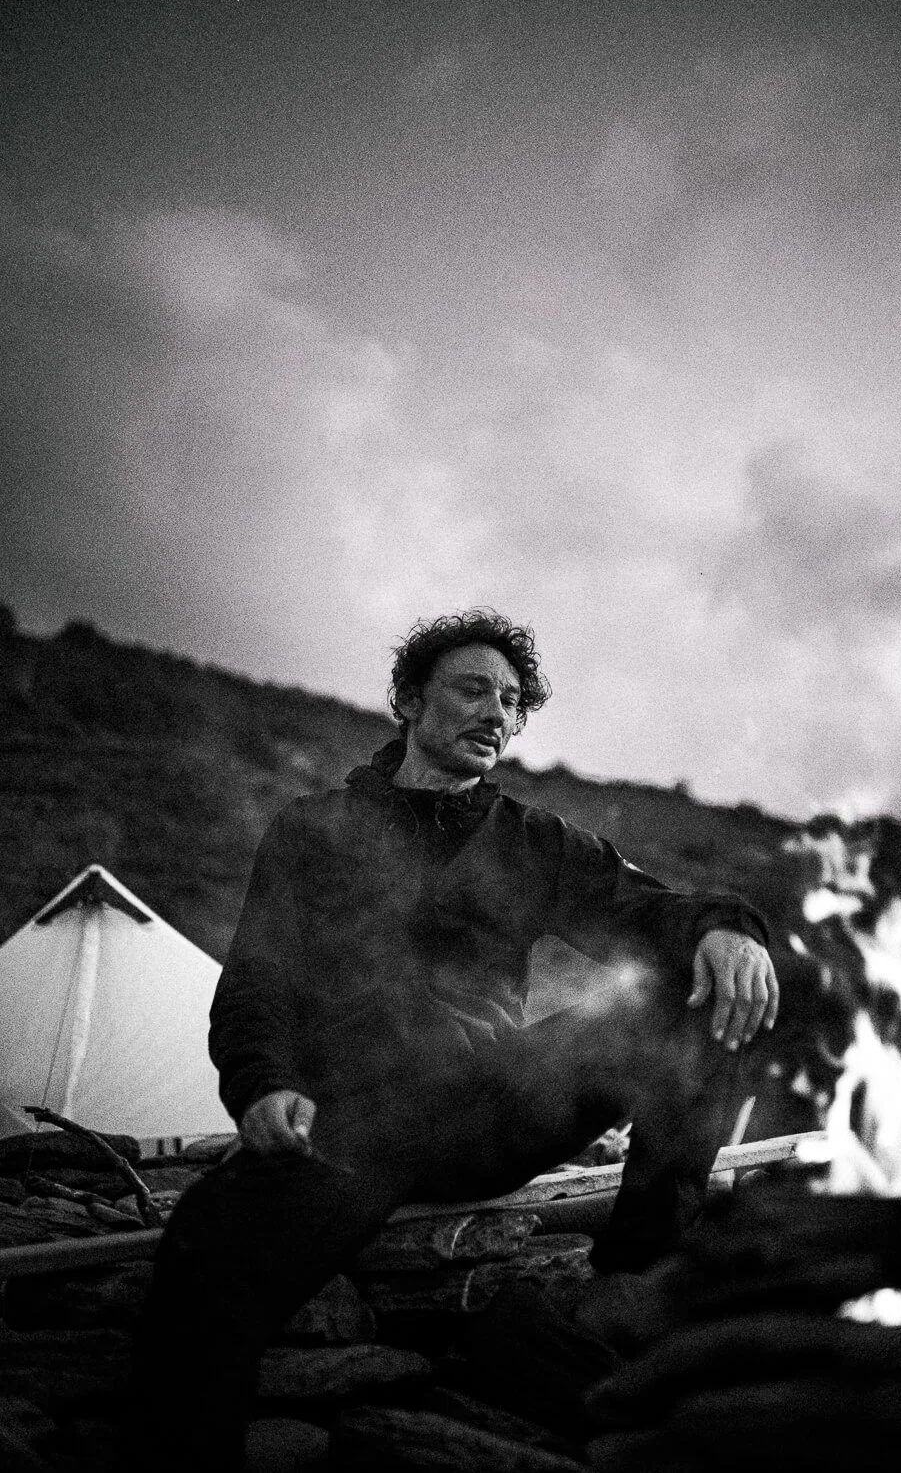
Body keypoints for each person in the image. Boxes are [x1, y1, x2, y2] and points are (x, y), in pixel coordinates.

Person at [130, 610, 778, 1469]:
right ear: (408, 701)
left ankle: (639, 1276)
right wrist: (260, 1085)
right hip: (356, 1125)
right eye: (473, 690)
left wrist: (728, 928)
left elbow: (648, 910)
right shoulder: (313, 830)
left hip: (494, 1103)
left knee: (697, 983)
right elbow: (257, 983)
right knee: (207, 1251)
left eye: (512, 703)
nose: (496, 716)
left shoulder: (534, 842)